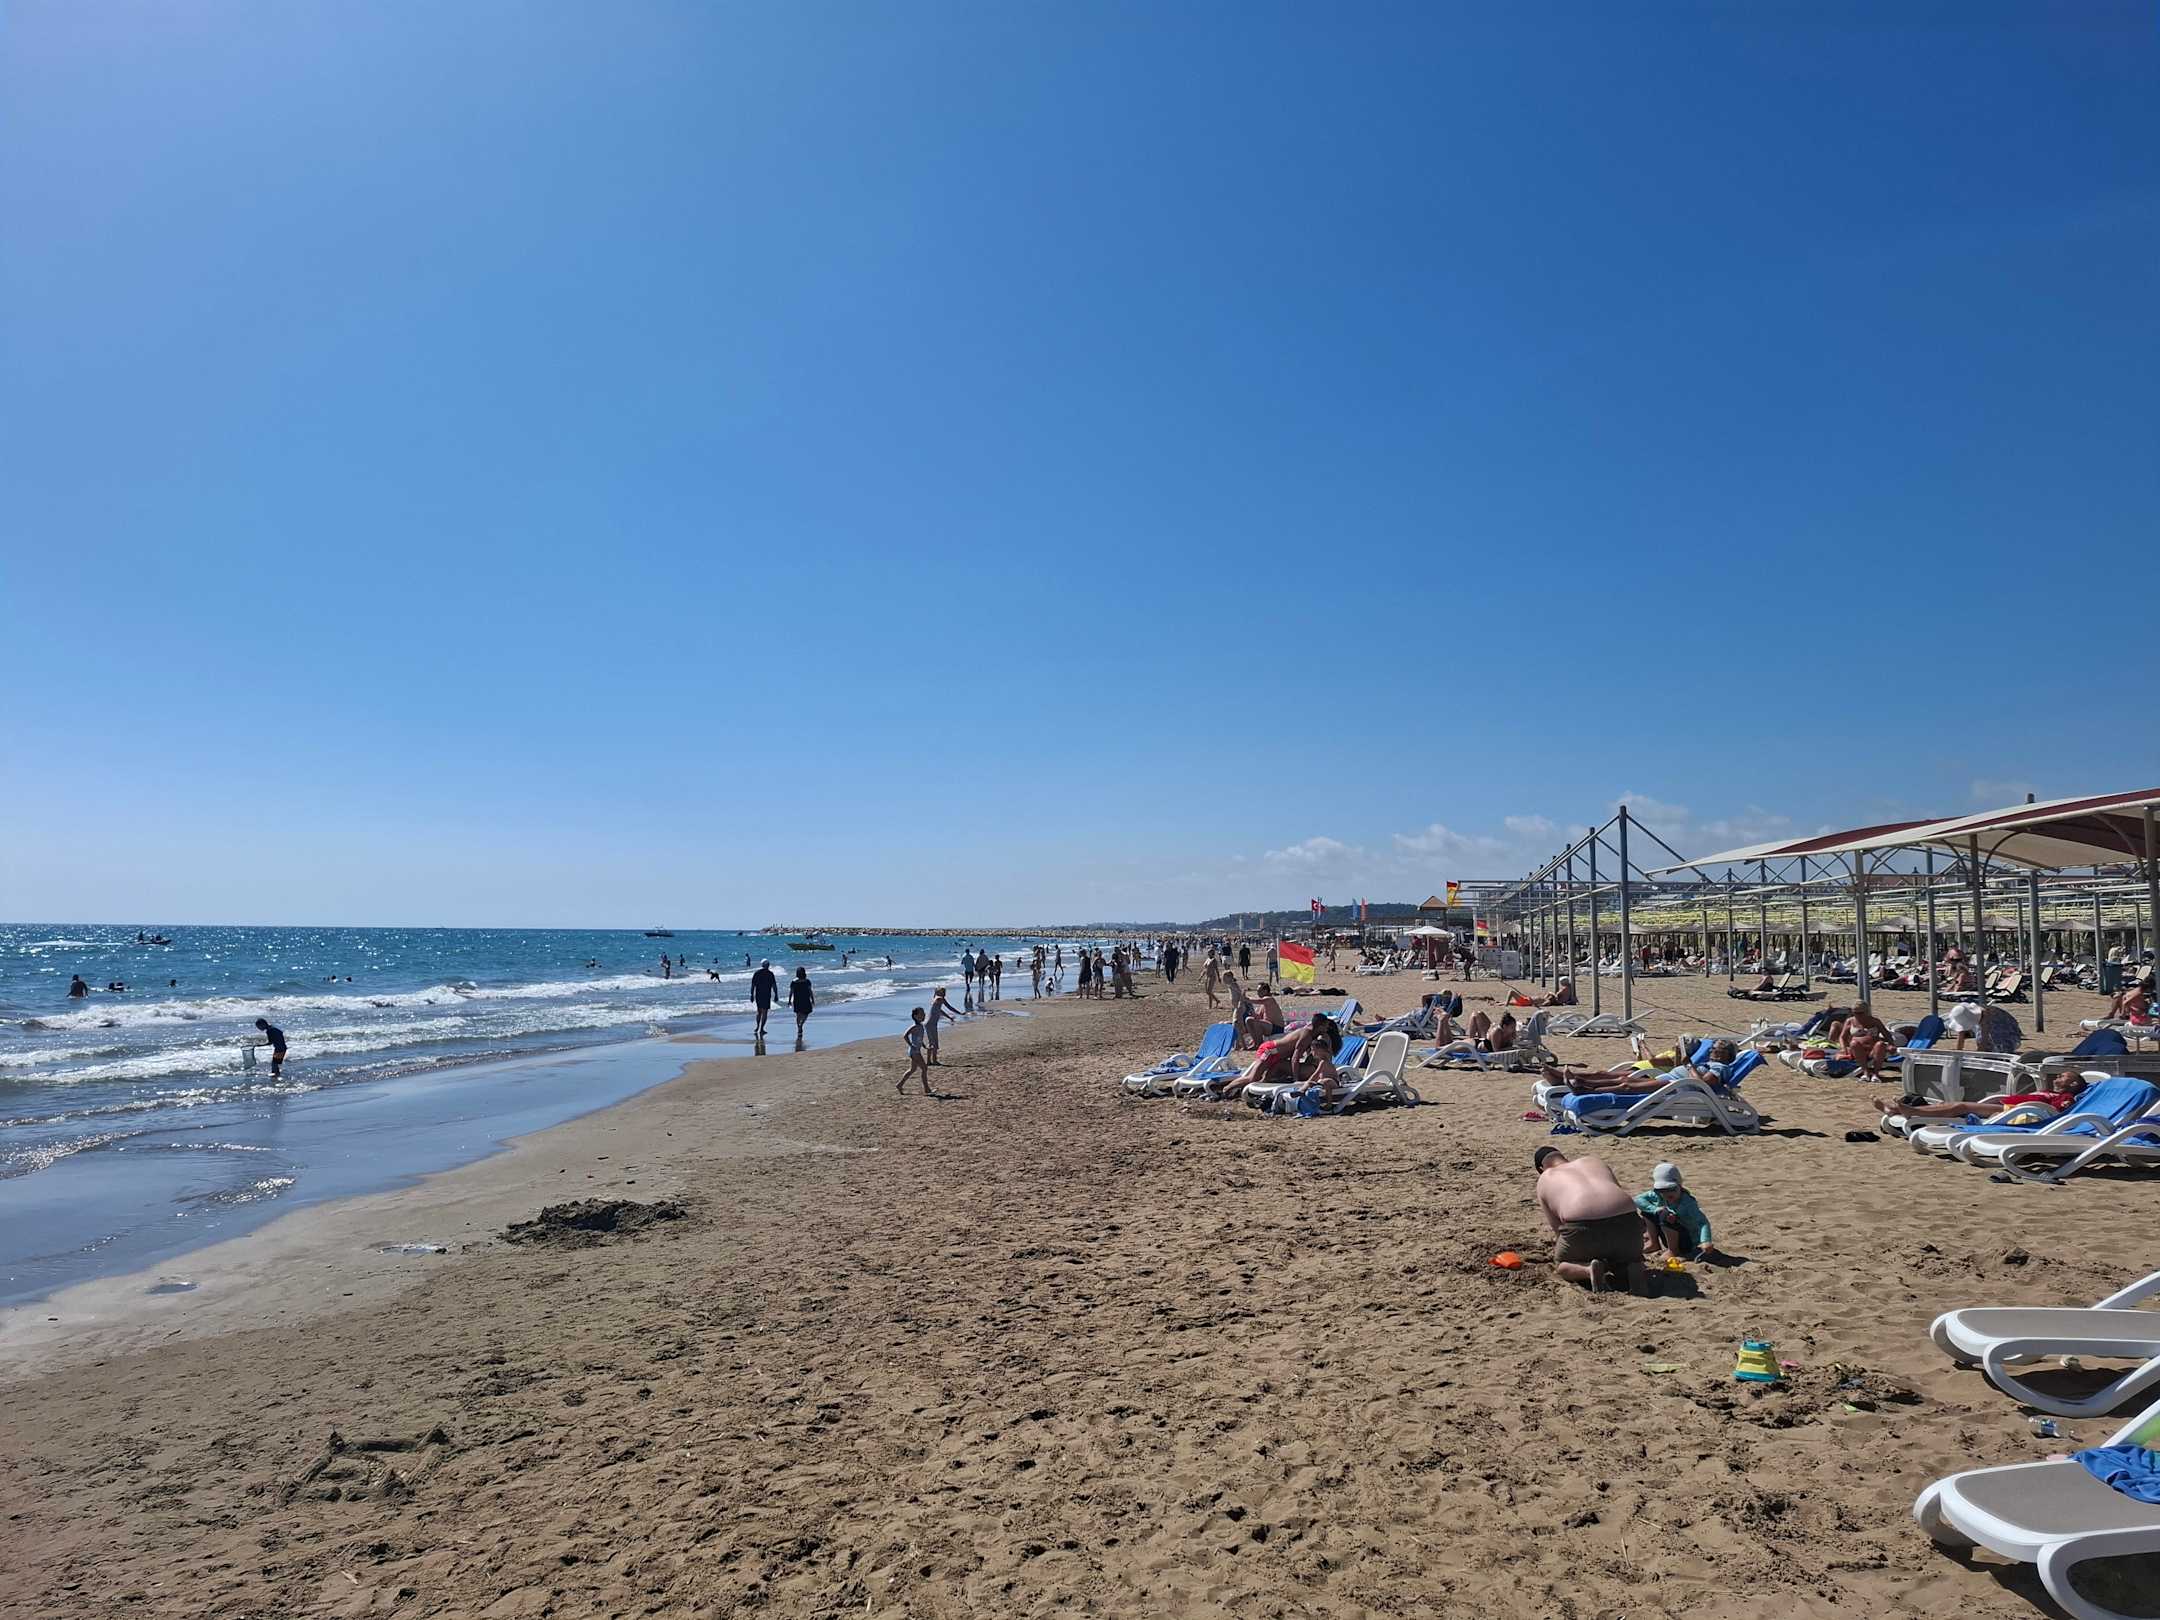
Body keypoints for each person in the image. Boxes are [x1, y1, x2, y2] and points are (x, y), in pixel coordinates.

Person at [1534, 1147, 1649, 1295]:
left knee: (1562, 1265)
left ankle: (1588, 1270)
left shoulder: (1545, 1177)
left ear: (1541, 1169)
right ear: (1563, 1157)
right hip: (1628, 1224)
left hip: (1583, 1228)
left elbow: (1558, 1229)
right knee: (1622, 1256)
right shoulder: (1594, 1161)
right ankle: (1631, 1266)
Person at [1875, 1073, 2088, 1123]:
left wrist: (2030, 1105)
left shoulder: (2066, 1097)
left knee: (1959, 1106)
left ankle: (1912, 1112)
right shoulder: (2050, 1092)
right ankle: (1897, 1110)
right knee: (1949, 1105)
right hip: (2007, 1107)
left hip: (2015, 1113)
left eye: (2063, 1077)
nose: (2057, 1077)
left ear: (2072, 1085)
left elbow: (2059, 1112)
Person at [1635, 1163, 1720, 1263]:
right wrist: (1654, 1209)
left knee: (1665, 1215)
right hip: (1668, 1235)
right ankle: (1654, 1243)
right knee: (1648, 1211)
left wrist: (1706, 1241)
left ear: (1679, 1185)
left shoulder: (1687, 1203)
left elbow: (1703, 1222)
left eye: (1672, 1189)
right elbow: (1638, 1199)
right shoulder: (1658, 1195)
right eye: (1662, 1190)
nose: (1667, 1193)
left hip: (1686, 1241)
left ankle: (1673, 1251)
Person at [1239, 983, 1286, 1049]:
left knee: (1257, 1023)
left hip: (1277, 1028)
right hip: (1268, 1026)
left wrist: (1246, 999)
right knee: (1248, 1020)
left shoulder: (1269, 999)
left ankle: (1259, 1043)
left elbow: (1259, 1001)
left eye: (1259, 991)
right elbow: (1258, 1017)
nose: (1257, 993)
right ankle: (1255, 1042)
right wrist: (1251, 1012)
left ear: (1265, 991)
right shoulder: (1263, 1004)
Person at [926, 987, 961, 1065]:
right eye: (943, 992)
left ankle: (929, 1061)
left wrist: (949, 1017)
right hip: (931, 1024)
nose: (944, 994)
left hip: (929, 1023)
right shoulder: (940, 999)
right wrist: (960, 1013)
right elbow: (949, 1007)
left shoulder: (935, 999)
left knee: (931, 1043)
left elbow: (940, 1011)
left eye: (944, 992)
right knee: (934, 1043)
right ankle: (934, 1060)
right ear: (939, 992)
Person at [899, 1008, 931, 1094]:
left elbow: (919, 1038)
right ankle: (927, 1089)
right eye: (921, 1014)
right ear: (915, 1016)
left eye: (924, 1013)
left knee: (912, 1070)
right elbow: (905, 1035)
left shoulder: (921, 1026)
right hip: (914, 1052)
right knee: (924, 1068)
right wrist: (911, 1045)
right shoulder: (915, 1026)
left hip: (917, 1051)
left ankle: (899, 1085)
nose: (924, 1015)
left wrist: (924, 1046)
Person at [750, 960, 779, 1038]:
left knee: (759, 1011)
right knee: (764, 1012)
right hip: (766, 995)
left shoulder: (757, 973)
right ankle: (761, 1028)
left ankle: (758, 1026)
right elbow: (774, 985)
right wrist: (776, 994)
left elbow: (753, 985)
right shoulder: (770, 974)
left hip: (759, 995)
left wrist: (751, 995)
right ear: (768, 965)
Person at [789, 967, 815, 1040]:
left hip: (797, 1000)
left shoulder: (794, 982)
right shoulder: (807, 981)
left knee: (798, 1014)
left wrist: (789, 1000)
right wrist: (812, 999)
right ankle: (801, 1024)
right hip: (805, 999)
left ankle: (799, 1028)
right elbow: (810, 991)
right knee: (806, 1013)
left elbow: (791, 992)